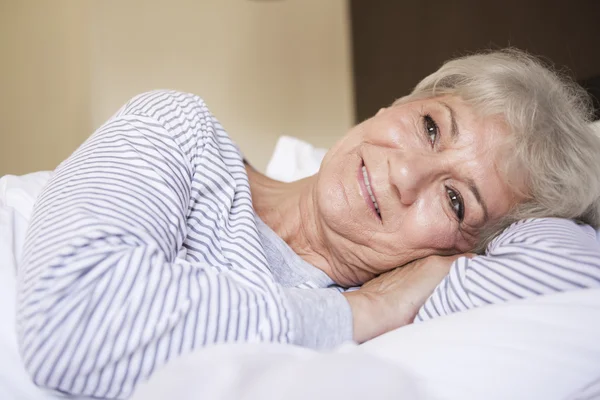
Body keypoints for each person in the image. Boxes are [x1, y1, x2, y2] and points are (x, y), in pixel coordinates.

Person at [16, 49, 600, 398]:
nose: (406, 175)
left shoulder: (424, 303)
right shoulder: (182, 133)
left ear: (460, 250)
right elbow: (73, 315)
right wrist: (360, 312)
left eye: (454, 201)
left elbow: (576, 275)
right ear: (396, 102)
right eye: (430, 127)